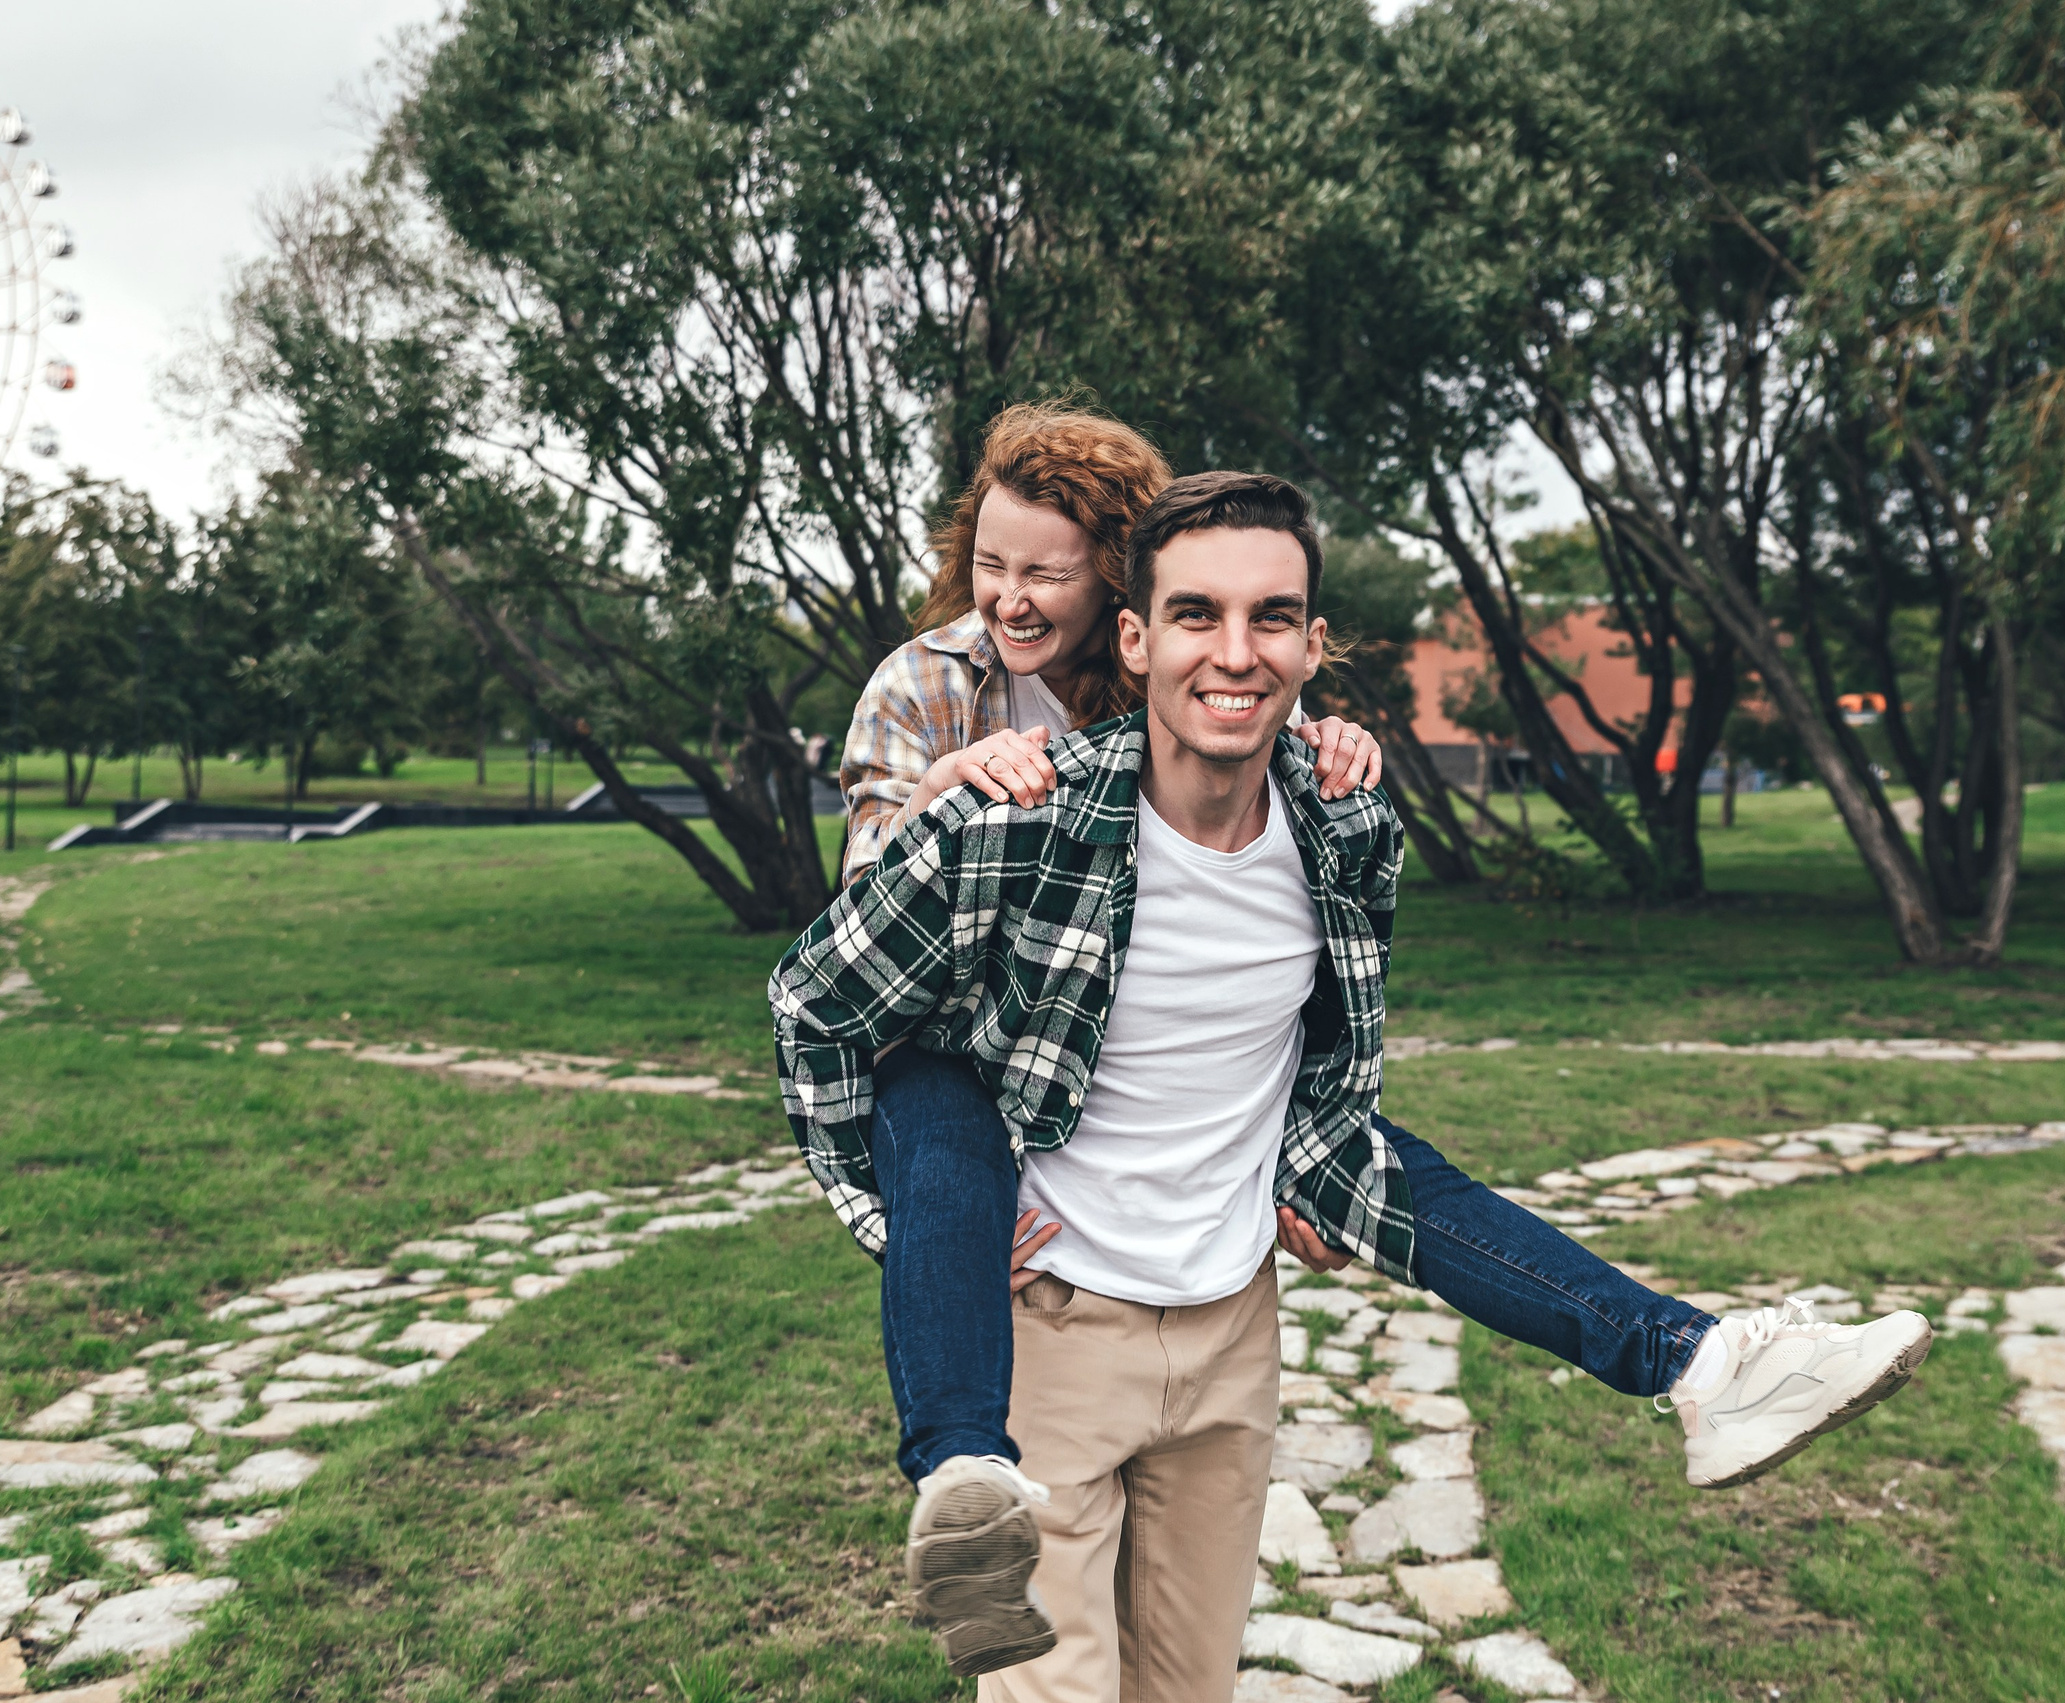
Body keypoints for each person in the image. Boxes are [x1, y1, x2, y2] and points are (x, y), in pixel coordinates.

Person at [772, 472, 1936, 1695]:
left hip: (1231, 1336)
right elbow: (819, 1008)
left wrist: (1306, 1183)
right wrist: (905, 1222)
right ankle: (956, 1459)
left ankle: (1705, 1367)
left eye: (1270, 617)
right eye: (1195, 616)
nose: (1235, 652)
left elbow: (1327, 1090)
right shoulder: (1016, 821)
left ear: (1314, 644)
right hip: (1057, 1335)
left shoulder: (1349, 829)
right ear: (1134, 637)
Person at [836, 401, 1381, 889]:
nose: (1009, 603)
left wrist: (1326, 748)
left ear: (1117, 578)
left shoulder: (1190, 672)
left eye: (1045, 576)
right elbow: (860, 902)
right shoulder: (918, 684)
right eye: (991, 566)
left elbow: (1260, 781)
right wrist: (936, 792)